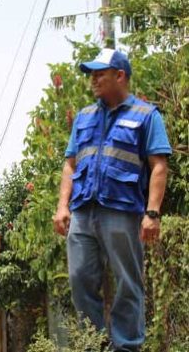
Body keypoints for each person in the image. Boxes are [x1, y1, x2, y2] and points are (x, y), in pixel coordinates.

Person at [53, 49, 171, 352]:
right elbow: (70, 164)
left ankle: (127, 346)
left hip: (122, 212)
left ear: (120, 75)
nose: (93, 79)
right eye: (91, 74)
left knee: (128, 283)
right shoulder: (84, 116)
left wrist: (152, 213)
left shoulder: (146, 115)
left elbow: (159, 164)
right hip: (82, 211)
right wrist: (62, 206)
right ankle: (93, 345)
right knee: (80, 279)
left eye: (99, 73)